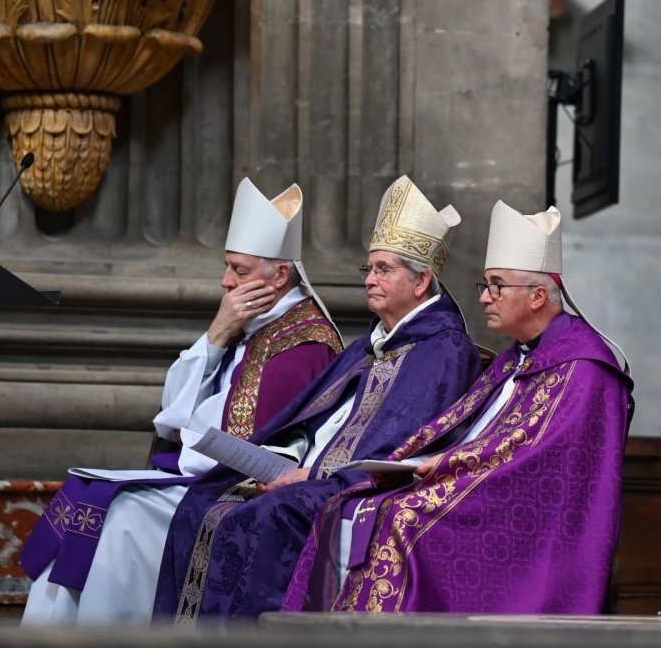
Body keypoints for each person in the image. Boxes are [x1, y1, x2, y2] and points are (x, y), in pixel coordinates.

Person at [152, 175, 481, 623]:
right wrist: (280, 453)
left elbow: (406, 442)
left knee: (266, 516)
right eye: (368, 269)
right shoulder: (368, 345)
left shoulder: (443, 350)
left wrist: (310, 473)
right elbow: (309, 419)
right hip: (307, 472)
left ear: (421, 280)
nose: (370, 280)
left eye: (383, 269)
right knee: (202, 502)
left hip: (355, 487)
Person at [282, 200, 635, 615]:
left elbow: (543, 462)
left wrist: (446, 464)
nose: (485, 297)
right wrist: (421, 460)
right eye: (485, 285)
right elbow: (469, 428)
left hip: (526, 518)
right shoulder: (514, 359)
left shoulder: (586, 366)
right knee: (352, 504)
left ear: (538, 296)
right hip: (478, 484)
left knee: (400, 518)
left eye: (496, 285)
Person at [21, 178, 343, 624]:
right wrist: (216, 334)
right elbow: (170, 417)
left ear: (281, 275)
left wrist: (194, 445)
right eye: (228, 267)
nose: (225, 280)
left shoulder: (305, 342)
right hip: (197, 474)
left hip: (235, 493)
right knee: (82, 500)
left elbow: (262, 443)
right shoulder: (243, 319)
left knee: (121, 518)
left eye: (240, 270)